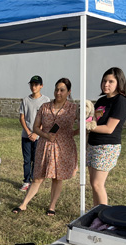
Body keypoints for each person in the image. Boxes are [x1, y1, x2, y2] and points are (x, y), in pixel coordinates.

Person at [12, 78, 78, 216]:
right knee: (38, 177)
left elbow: (84, 123)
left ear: (69, 91)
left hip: (63, 147)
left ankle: (52, 206)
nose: (58, 93)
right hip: (45, 144)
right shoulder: (45, 107)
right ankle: (23, 204)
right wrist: (46, 135)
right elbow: (36, 127)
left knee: (57, 177)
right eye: (56, 89)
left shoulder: (73, 108)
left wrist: (73, 133)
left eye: (62, 90)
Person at [87, 67, 126, 206]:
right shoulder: (101, 101)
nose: (106, 84)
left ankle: (104, 218)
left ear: (119, 83)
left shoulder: (120, 101)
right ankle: (96, 213)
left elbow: (109, 128)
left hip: (107, 146)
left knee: (97, 184)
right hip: (93, 144)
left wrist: (89, 126)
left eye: (111, 81)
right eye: (104, 81)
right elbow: (93, 120)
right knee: (93, 184)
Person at [19, 75, 50, 192]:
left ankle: (34, 180)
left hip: (39, 136)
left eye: (36, 84)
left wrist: (37, 133)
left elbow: (46, 118)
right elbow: (22, 117)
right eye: (31, 84)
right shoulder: (26, 100)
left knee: (37, 159)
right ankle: (26, 181)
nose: (33, 87)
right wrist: (28, 132)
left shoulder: (46, 101)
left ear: (41, 86)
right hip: (26, 135)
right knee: (27, 160)